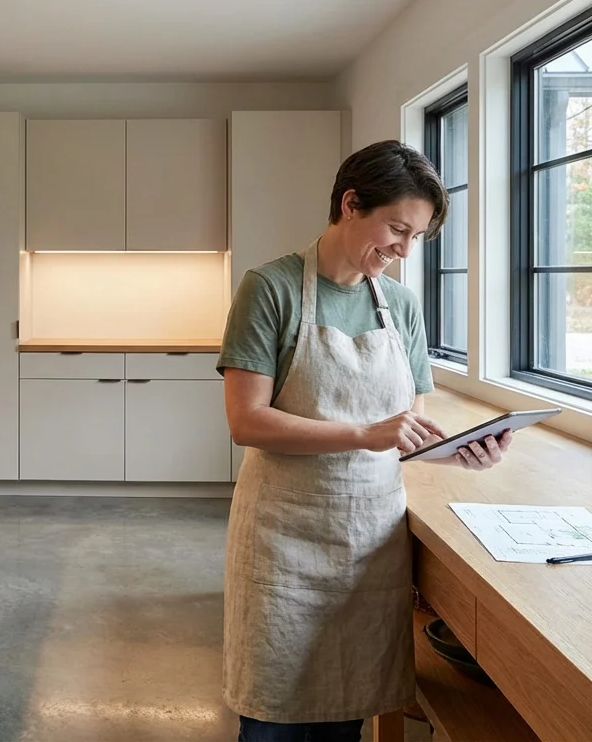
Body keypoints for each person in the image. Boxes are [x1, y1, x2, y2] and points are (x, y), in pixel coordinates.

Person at [217, 140, 511, 742]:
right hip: (283, 539)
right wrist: (364, 433)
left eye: (416, 239)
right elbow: (246, 422)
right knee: (273, 716)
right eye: (396, 229)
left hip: (368, 539)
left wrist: (458, 450)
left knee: (343, 713)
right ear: (351, 204)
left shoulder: (400, 306)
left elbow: (408, 428)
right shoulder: (268, 288)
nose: (403, 252)